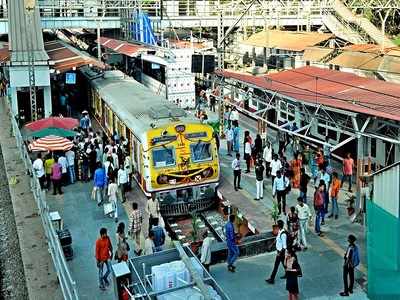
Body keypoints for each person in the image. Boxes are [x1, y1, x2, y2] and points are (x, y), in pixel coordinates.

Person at [266, 220, 287, 284]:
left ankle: (272, 279)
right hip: (279, 251)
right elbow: (277, 239)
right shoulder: (280, 231)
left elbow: (284, 246)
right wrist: (271, 245)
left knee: (276, 266)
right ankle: (288, 273)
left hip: (280, 252)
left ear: (278, 226)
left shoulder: (283, 234)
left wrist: (279, 253)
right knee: (284, 263)